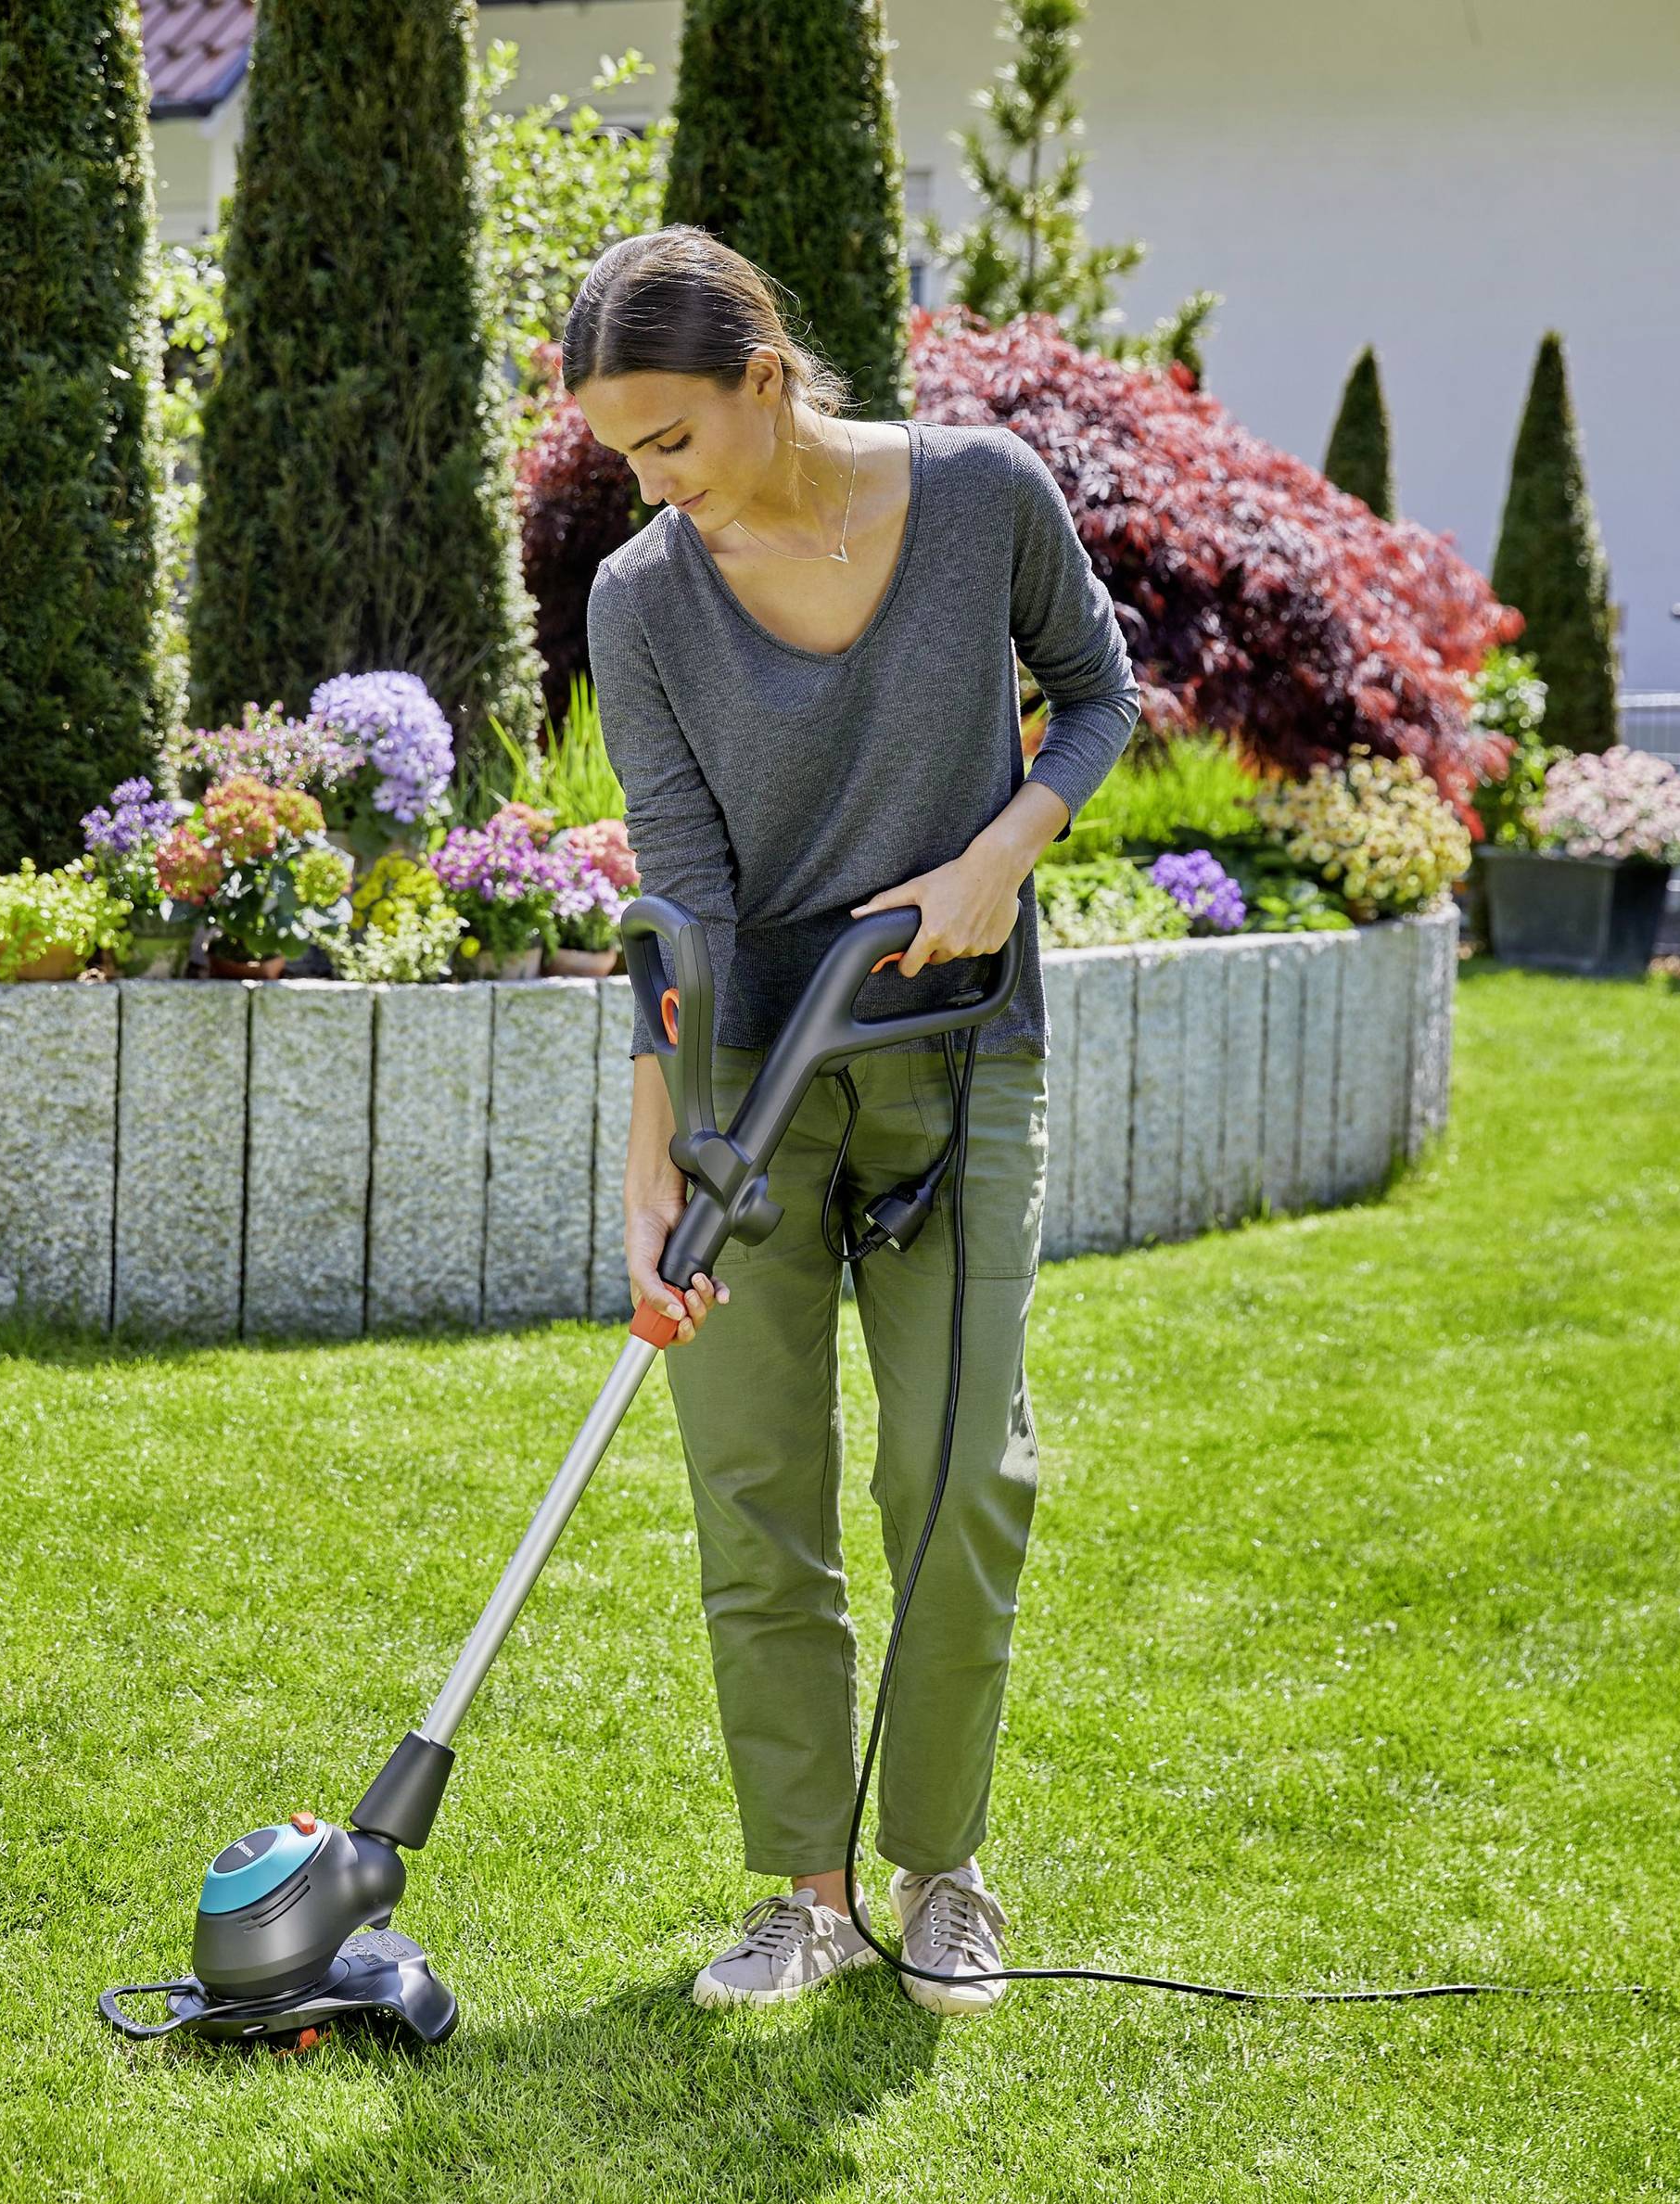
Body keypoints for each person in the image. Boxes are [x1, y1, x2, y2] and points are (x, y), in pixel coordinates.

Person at [566, 226, 1142, 2015]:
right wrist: (659, 1136)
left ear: (764, 376)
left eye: (666, 439)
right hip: (757, 1076)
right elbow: (677, 885)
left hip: (962, 1047)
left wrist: (997, 852)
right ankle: (800, 1890)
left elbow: (1100, 697)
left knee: (960, 1473)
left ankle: (939, 1867)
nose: (646, 487)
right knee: (757, 1487)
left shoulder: (982, 497)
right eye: (617, 455)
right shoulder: (643, 598)